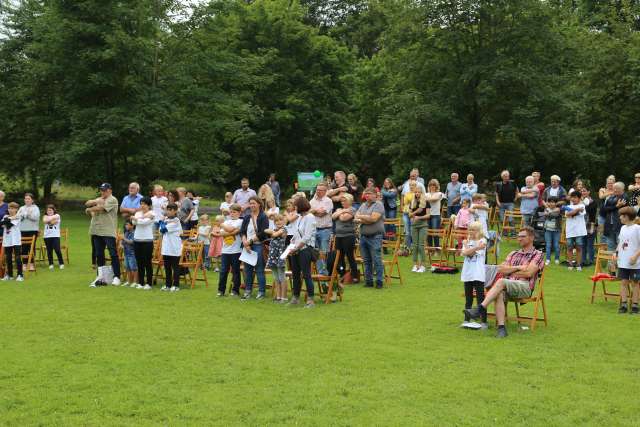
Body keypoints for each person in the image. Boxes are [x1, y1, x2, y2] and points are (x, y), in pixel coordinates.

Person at [465, 226, 544, 338]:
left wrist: (510, 271)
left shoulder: (537, 254)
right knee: (499, 291)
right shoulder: (513, 253)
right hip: (507, 285)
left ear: (531, 238)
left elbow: (529, 273)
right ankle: (501, 329)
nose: (519, 239)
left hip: (524, 287)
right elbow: (501, 269)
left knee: (501, 281)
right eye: (518, 236)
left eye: (523, 236)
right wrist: (520, 267)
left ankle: (480, 308)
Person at [86, 183, 121, 287]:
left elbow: (101, 208)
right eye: (101, 190)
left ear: (110, 190)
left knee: (113, 253)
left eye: (105, 190)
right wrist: (95, 202)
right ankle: (101, 277)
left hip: (108, 231)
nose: (103, 192)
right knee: (99, 254)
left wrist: (90, 208)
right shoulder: (99, 198)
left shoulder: (112, 199)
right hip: (96, 230)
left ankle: (116, 277)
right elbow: (87, 203)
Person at [288, 196, 317, 307]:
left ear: (300, 206)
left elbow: (307, 236)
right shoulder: (299, 218)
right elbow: (297, 233)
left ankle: (310, 300)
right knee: (295, 274)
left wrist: (297, 247)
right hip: (296, 249)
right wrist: (292, 242)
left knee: (306, 274)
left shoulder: (310, 217)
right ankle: (295, 298)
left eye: (295, 206)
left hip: (305, 249)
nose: (294, 208)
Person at [355, 188, 385, 288]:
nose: (367, 195)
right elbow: (356, 217)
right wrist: (366, 218)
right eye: (366, 193)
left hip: (375, 236)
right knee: (366, 260)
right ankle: (369, 281)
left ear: (375, 195)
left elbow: (374, 218)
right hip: (363, 236)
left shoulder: (378, 204)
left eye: (369, 193)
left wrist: (362, 217)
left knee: (376, 259)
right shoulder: (363, 205)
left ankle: (379, 281)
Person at [240, 197, 269, 300]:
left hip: (258, 245)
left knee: (259, 269)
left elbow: (263, 233)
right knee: (248, 269)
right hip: (247, 245)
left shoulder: (263, 217)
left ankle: (261, 292)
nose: (252, 205)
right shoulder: (247, 217)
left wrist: (250, 241)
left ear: (259, 204)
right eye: (250, 203)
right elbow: (242, 231)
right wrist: (245, 242)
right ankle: (248, 291)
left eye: (254, 203)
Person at [460, 222, 487, 328]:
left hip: (478, 274)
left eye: (473, 230)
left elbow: (469, 253)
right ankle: (466, 320)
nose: (471, 232)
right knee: (468, 298)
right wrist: (474, 247)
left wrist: (468, 248)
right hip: (467, 274)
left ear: (479, 231)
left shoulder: (483, 241)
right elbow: (465, 253)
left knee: (480, 298)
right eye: (470, 230)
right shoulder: (467, 241)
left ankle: (484, 321)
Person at [614, 207, 640, 314]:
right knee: (623, 283)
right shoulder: (623, 228)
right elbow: (620, 243)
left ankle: (635, 306)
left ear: (627, 217)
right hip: (623, 262)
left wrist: (635, 256)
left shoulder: (637, 228)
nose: (620, 217)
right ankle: (623, 305)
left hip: (635, 264)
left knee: (635, 284)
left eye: (622, 216)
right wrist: (615, 254)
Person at [216, 204, 243, 297]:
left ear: (239, 213)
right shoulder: (227, 221)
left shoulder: (240, 221)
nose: (232, 214)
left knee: (235, 271)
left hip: (236, 250)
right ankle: (221, 290)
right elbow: (221, 233)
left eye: (234, 212)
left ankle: (235, 290)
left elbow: (230, 229)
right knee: (223, 271)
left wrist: (222, 224)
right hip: (225, 251)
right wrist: (229, 231)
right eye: (231, 212)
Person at [332, 193, 359, 283]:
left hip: (348, 236)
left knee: (350, 256)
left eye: (344, 201)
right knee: (339, 257)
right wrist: (342, 211)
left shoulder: (352, 209)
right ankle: (342, 274)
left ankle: (355, 276)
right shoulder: (340, 209)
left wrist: (339, 212)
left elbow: (343, 219)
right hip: (338, 236)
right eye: (342, 201)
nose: (342, 202)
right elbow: (333, 216)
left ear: (349, 201)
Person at [309, 182, 333, 277]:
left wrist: (313, 210)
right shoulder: (312, 201)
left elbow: (322, 213)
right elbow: (309, 212)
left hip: (325, 230)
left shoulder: (328, 201)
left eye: (320, 190)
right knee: (316, 252)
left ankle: (325, 274)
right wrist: (316, 210)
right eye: (317, 189)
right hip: (314, 229)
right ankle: (321, 274)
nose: (318, 191)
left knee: (323, 252)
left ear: (325, 191)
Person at [132, 197, 155, 290]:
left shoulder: (152, 213)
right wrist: (139, 218)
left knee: (147, 262)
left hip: (147, 241)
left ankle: (149, 283)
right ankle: (141, 282)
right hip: (137, 240)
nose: (142, 205)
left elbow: (144, 223)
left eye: (144, 204)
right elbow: (133, 222)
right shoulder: (137, 213)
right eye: (141, 203)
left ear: (149, 205)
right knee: (139, 262)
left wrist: (138, 219)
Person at [159, 203, 182, 292]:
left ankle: (176, 285)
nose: (168, 212)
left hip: (174, 248)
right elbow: (160, 231)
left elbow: (163, 229)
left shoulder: (176, 221)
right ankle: (168, 285)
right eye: (168, 210)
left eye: (171, 210)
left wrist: (161, 222)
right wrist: (162, 223)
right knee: (167, 267)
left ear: (175, 211)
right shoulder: (166, 219)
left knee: (175, 267)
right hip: (166, 248)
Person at [265, 214, 288, 303]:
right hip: (273, 256)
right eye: (276, 221)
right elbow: (265, 230)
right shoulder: (274, 229)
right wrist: (271, 231)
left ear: (284, 221)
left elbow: (275, 235)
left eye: (280, 220)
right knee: (276, 277)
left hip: (280, 256)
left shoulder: (284, 229)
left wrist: (271, 232)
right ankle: (278, 296)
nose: (278, 222)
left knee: (282, 277)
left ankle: (284, 297)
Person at [601, 182, 628, 251]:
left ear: (622, 189)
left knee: (620, 244)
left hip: (619, 225)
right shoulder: (611, 197)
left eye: (617, 188)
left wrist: (611, 207)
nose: (615, 190)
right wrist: (616, 206)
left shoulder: (625, 197)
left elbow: (621, 209)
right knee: (610, 244)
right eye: (614, 188)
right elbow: (605, 209)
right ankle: (611, 261)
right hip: (609, 225)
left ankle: (619, 261)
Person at [409, 185, 429, 273]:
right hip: (414, 225)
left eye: (419, 192)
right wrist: (412, 215)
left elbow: (428, 215)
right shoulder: (412, 202)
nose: (417, 194)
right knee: (415, 246)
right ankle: (415, 265)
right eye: (416, 192)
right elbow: (409, 214)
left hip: (423, 224)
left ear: (422, 193)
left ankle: (423, 265)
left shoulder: (426, 202)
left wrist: (419, 217)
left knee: (421, 246)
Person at [564, 191, 587, 271]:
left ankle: (578, 264)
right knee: (569, 246)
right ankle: (570, 264)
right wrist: (577, 210)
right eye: (572, 197)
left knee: (579, 246)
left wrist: (574, 211)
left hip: (579, 230)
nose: (573, 199)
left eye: (575, 197)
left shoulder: (582, 205)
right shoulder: (568, 206)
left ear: (579, 198)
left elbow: (577, 213)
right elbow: (568, 214)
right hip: (570, 230)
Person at [1, 202, 23, 282]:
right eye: (9, 208)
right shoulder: (5, 216)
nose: (10, 210)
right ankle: (9, 275)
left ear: (16, 209)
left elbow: (9, 225)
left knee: (17, 258)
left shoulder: (18, 217)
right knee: (8, 258)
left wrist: (8, 220)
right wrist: (9, 219)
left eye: (13, 208)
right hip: (7, 240)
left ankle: (20, 275)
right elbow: (2, 223)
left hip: (16, 240)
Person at [18, 193, 40, 272]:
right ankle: (24, 264)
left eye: (28, 199)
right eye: (26, 199)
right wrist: (24, 215)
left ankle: (31, 264)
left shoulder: (35, 208)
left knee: (31, 247)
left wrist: (26, 214)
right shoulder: (21, 208)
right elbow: (18, 217)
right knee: (24, 247)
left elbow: (35, 217)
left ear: (32, 200)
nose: (27, 200)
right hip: (22, 230)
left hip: (32, 230)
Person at [495, 170, 519, 236]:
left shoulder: (513, 183)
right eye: (505, 176)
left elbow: (517, 191)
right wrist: (498, 202)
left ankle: (513, 233)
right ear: (502, 177)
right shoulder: (498, 184)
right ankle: (504, 233)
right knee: (502, 219)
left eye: (507, 176)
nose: (506, 177)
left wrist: (516, 198)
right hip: (501, 204)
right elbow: (496, 194)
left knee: (511, 218)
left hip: (510, 203)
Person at [42, 204, 65, 270]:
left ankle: (61, 263)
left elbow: (52, 222)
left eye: (50, 210)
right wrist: (50, 220)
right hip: (47, 236)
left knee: (57, 249)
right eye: (48, 210)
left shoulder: (57, 215)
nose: (49, 211)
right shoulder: (45, 216)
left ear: (53, 210)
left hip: (55, 235)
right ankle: (51, 264)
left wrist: (49, 220)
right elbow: (45, 221)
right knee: (49, 250)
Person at [542, 197, 562, 265]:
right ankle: (548, 259)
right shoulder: (546, 209)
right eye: (550, 202)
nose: (551, 203)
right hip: (548, 230)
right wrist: (547, 213)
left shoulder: (558, 209)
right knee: (548, 245)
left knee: (556, 245)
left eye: (553, 202)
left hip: (556, 230)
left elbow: (555, 215)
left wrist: (548, 213)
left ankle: (557, 258)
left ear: (556, 203)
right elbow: (544, 215)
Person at [582, 187, 597, 266]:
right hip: (581, 225)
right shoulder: (580, 201)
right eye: (582, 191)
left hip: (590, 225)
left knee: (590, 244)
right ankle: (583, 260)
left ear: (588, 191)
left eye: (584, 191)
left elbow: (587, 210)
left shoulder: (593, 202)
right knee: (583, 243)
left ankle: (591, 261)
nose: (583, 192)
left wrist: (582, 204)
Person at [425, 179, 443, 247]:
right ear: (429, 186)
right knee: (428, 233)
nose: (432, 186)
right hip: (428, 215)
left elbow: (435, 199)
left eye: (434, 185)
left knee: (435, 233)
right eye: (431, 185)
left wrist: (425, 199)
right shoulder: (426, 194)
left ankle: (436, 249)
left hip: (436, 215)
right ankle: (430, 249)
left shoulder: (439, 193)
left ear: (436, 186)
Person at [401, 180, 418, 249]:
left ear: (416, 186)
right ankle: (408, 247)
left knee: (412, 231)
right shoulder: (407, 193)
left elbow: (414, 203)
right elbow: (406, 202)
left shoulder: (417, 194)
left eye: (413, 185)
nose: (411, 186)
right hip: (405, 213)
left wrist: (410, 200)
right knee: (407, 232)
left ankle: (414, 246)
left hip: (413, 214)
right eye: (410, 185)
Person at [121, 220, 138, 287]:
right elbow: (123, 242)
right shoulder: (126, 233)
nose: (126, 226)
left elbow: (132, 242)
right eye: (125, 225)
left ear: (132, 225)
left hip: (132, 253)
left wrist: (123, 238)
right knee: (127, 267)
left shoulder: (134, 233)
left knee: (133, 267)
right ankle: (129, 281)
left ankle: (135, 281)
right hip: (126, 252)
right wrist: (121, 244)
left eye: (127, 224)